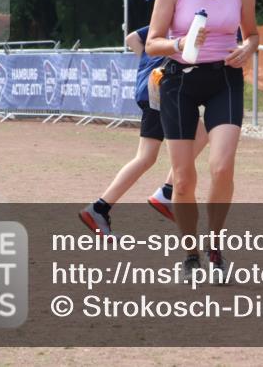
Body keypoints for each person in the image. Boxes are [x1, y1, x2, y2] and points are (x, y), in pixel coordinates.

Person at [146, 0, 259, 280]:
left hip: (224, 77)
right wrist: (179, 45)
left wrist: (247, 48)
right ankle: (190, 255)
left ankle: (215, 248)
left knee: (222, 166)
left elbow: (253, 34)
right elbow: (152, 42)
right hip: (179, 80)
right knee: (183, 179)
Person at [78, 25, 206, 237]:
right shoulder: (188, 20)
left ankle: (100, 208)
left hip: (151, 85)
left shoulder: (167, 20)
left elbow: (132, 38)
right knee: (198, 134)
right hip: (162, 86)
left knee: (147, 156)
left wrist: (148, 61)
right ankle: (165, 193)